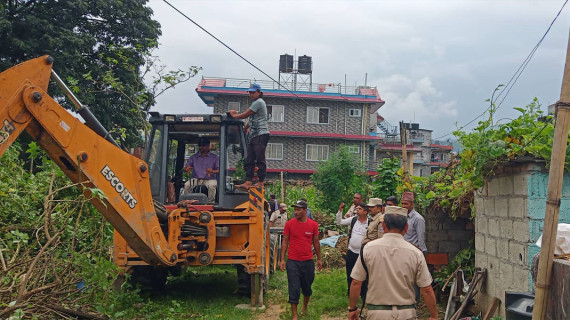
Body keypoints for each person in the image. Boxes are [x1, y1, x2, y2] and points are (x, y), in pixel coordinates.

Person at [348, 206, 438, 320]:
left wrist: (352, 308)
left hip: (376, 313)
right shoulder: (416, 253)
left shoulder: (368, 249)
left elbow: (356, 282)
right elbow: (426, 289)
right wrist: (434, 316)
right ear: (406, 228)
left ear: (384, 226)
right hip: (406, 314)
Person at [280, 200, 323, 320]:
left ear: (305, 210)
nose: (296, 212)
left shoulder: (313, 225)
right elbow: (285, 241)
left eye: (298, 209)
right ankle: (294, 315)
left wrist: (319, 259)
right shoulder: (289, 224)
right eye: (295, 209)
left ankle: (304, 307)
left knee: (307, 287)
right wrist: (282, 259)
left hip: (308, 261)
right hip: (293, 261)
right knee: (293, 287)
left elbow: (316, 242)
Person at [229, 83, 269, 189]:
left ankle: (261, 181)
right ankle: (248, 181)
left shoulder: (259, 102)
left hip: (261, 134)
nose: (251, 94)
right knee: (249, 158)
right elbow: (251, 119)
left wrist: (235, 116)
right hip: (253, 135)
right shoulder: (255, 103)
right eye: (250, 92)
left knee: (260, 158)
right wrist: (245, 128)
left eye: (253, 92)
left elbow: (247, 114)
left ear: (259, 92)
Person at [336, 203, 369, 301]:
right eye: (357, 208)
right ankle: (351, 292)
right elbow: (340, 222)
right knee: (350, 273)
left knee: (364, 275)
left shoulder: (370, 222)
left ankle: (363, 294)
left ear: (365, 212)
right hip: (351, 252)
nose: (357, 210)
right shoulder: (353, 220)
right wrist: (340, 211)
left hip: (362, 254)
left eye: (360, 208)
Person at [183, 137, 219, 203]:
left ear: (208, 146)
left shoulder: (215, 157)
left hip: (210, 179)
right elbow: (186, 168)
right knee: (187, 185)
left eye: (203, 145)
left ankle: (210, 203)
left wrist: (212, 171)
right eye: (200, 145)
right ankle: (186, 202)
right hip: (196, 179)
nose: (201, 147)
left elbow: (219, 170)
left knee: (212, 185)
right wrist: (186, 169)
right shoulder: (193, 157)